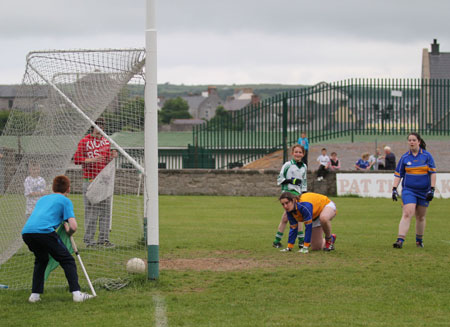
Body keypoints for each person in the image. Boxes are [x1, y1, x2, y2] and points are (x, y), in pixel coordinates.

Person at [21, 175, 94, 303]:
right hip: (44, 232)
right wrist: (69, 231)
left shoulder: (42, 199)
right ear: (68, 189)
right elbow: (73, 226)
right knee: (67, 260)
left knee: (41, 259)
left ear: (53, 188)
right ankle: (77, 294)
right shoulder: (65, 200)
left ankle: (35, 296)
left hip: (27, 232)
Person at [74, 117, 118, 248]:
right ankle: (89, 241)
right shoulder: (84, 141)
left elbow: (106, 161)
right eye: (97, 126)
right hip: (90, 181)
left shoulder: (106, 141)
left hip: (104, 182)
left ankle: (103, 239)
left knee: (105, 212)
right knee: (92, 212)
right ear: (93, 127)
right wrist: (92, 160)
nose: (99, 129)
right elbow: (77, 159)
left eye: (101, 126)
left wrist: (112, 157)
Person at [392, 133, 436, 249]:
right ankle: (400, 240)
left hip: (424, 191)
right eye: (409, 140)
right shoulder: (405, 157)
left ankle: (419, 241)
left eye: (414, 140)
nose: (411, 142)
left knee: (420, 217)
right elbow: (398, 174)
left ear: (419, 142)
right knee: (407, 213)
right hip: (409, 190)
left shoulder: (427, 156)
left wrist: (432, 189)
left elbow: (432, 173)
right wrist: (394, 189)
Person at [274, 144, 307, 251]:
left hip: (298, 194)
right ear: (292, 153)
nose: (298, 154)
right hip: (287, 193)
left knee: (288, 218)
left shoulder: (304, 166)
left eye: (300, 152)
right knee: (297, 217)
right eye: (296, 152)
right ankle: (301, 241)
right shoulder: (287, 165)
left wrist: (304, 194)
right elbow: (280, 179)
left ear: (303, 154)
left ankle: (277, 241)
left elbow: (304, 182)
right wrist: (292, 181)